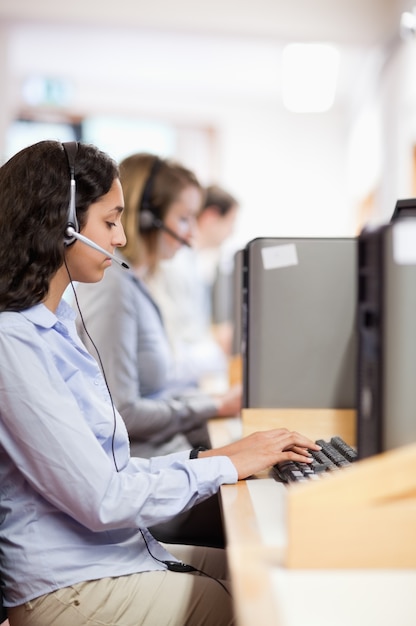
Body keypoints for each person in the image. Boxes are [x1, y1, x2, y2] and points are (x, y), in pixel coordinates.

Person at [0, 139, 320, 626]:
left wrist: (222, 457)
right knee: (278, 607)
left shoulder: (55, 326)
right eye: (109, 221)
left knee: (283, 570)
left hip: (112, 558)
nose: (121, 238)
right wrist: (223, 467)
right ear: (61, 223)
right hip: (72, 590)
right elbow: (105, 498)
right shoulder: (14, 342)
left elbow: (113, 472)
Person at [75, 154, 241, 461]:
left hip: (160, 453)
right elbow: (122, 411)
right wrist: (214, 405)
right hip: (141, 464)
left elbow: (154, 392)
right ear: (148, 217)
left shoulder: (135, 282)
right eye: (183, 218)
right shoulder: (113, 286)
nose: (191, 232)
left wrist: (212, 403)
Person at [146, 184, 240, 387]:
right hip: (175, 377)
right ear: (211, 216)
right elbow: (180, 345)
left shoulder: (193, 264)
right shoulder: (175, 264)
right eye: (231, 222)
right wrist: (220, 348)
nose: (231, 233)